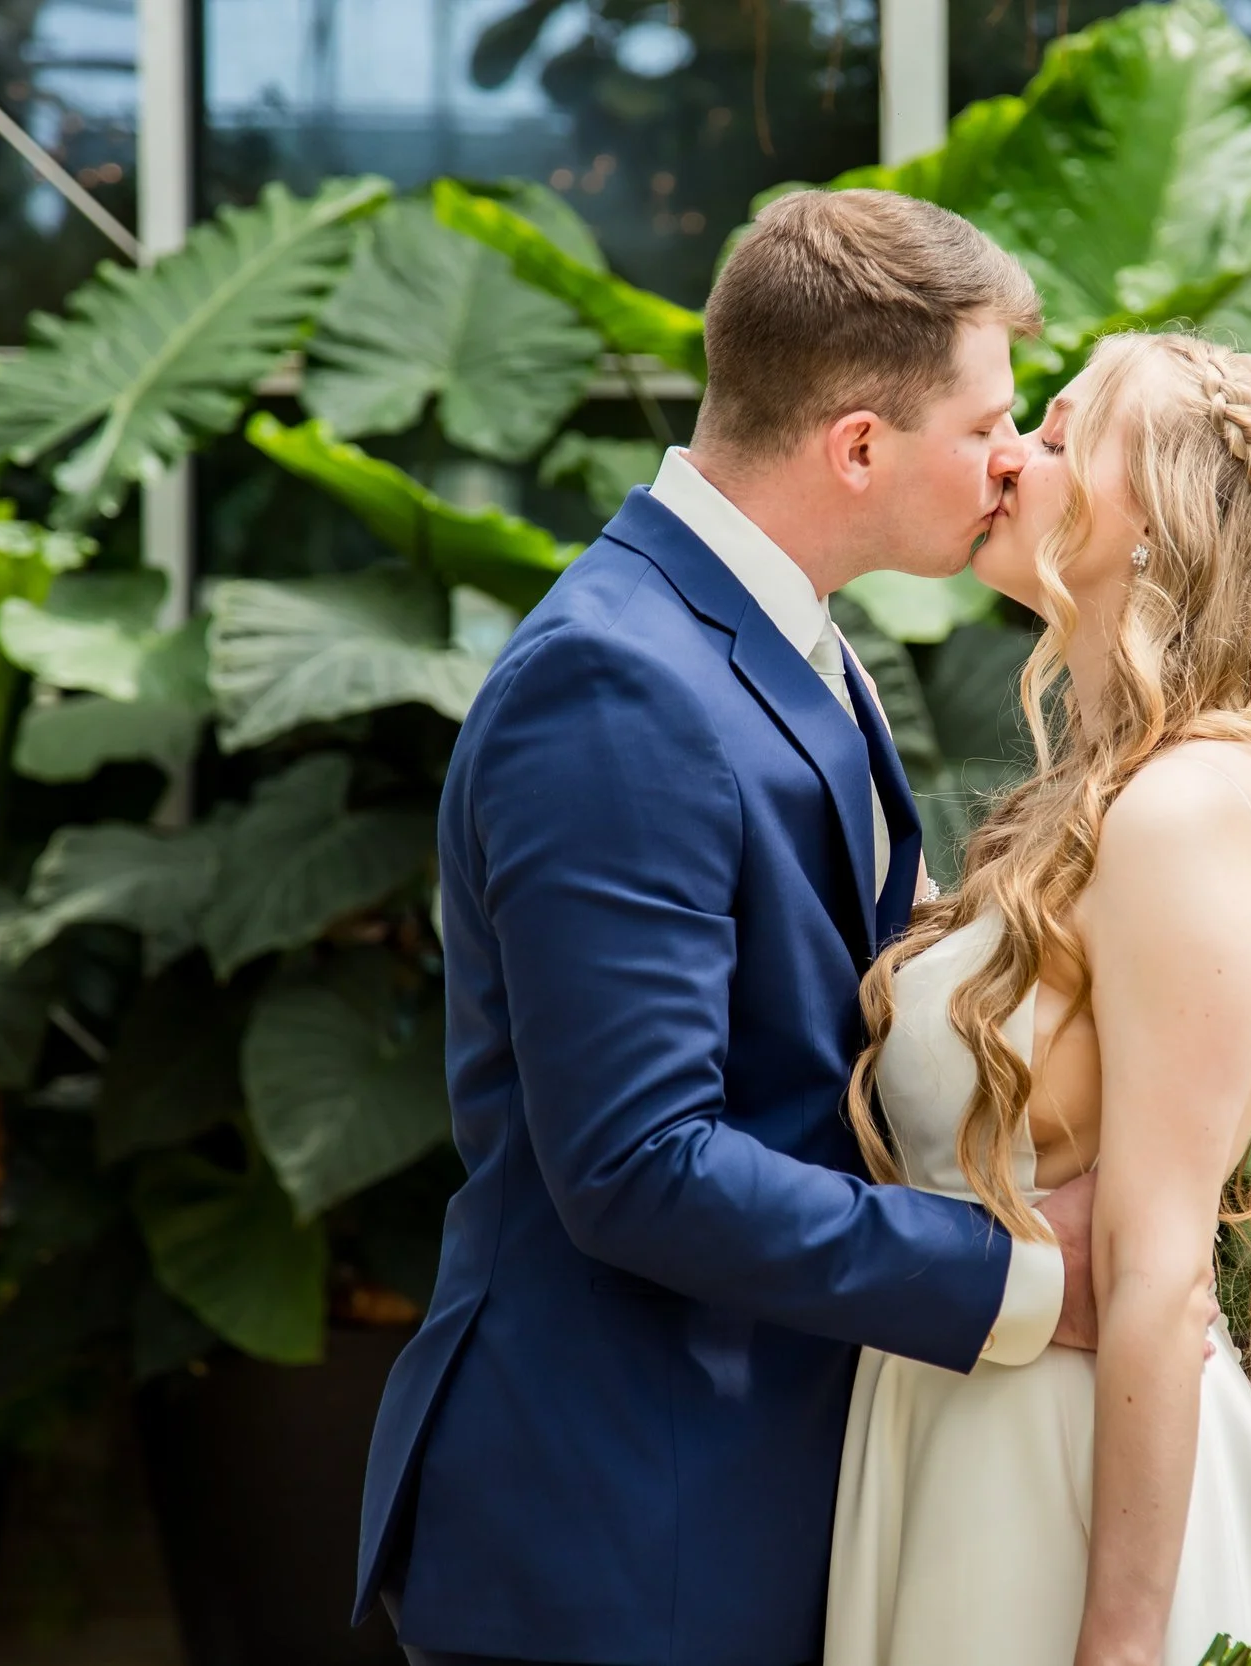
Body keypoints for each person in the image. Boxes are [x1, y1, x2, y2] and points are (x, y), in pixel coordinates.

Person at [353, 188, 1107, 1666]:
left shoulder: (793, 634)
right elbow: (638, 1167)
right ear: (860, 446)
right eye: (987, 424)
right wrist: (1024, 1281)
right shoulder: (615, 683)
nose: (1015, 460)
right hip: (623, 1532)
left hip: (740, 1492)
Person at [825, 331, 1251, 1666]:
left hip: (1052, 1475)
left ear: (1155, 519)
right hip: (958, 1435)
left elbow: (1156, 1274)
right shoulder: (1111, 794)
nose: (1010, 456)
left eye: (1057, 437)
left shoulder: (1187, 806)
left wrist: (1117, 1638)